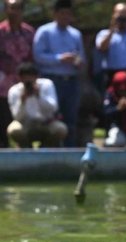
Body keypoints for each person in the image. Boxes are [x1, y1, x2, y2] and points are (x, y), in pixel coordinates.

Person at [33, 0, 84, 147]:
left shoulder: (75, 34)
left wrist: (77, 61)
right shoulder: (44, 32)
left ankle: (70, 152)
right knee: (50, 118)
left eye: (68, 13)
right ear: (55, 14)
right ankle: (48, 151)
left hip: (71, 81)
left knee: (71, 119)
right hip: (51, 81)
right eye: (62, 13)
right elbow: (38, 56)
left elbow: (82, 58)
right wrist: (59, 58)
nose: (65, 16)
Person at [6, 63, 67, 147]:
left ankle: (46, 149)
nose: (28, 82)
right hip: (25, 125)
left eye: (31, 78)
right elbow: (16, 117)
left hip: (46, 123)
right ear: (20, 78)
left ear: (36, 76)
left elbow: (53, 108)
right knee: (14, 130)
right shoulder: (14, 91)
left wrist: (39, 96)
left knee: (61, 129)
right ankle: (26, 151)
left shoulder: (47, 85)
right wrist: (22, 101)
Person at [0, 0, 34, 148]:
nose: (14, 12)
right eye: (11, 8)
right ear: (6, 10)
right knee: (3, 122)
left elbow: (33, 58)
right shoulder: (0, 31)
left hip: (24, 85)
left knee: (25, 121)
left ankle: (26, 154)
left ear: (22, 11)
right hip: (2, 87)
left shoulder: (29, 32)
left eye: (17, 9)